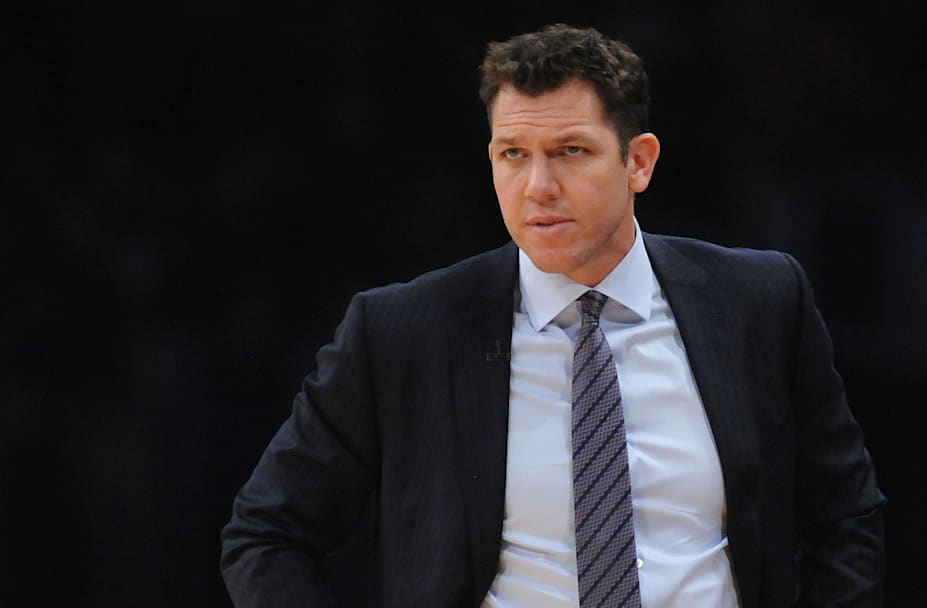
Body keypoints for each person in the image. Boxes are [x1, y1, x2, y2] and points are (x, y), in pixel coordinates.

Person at [221, 24, 886, 608]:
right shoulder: (403, 332)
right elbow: (266, 535)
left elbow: (845, 515)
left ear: (639, 162)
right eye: (513, 153)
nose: (538, 186)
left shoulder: (758, 301)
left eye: (570, 150)